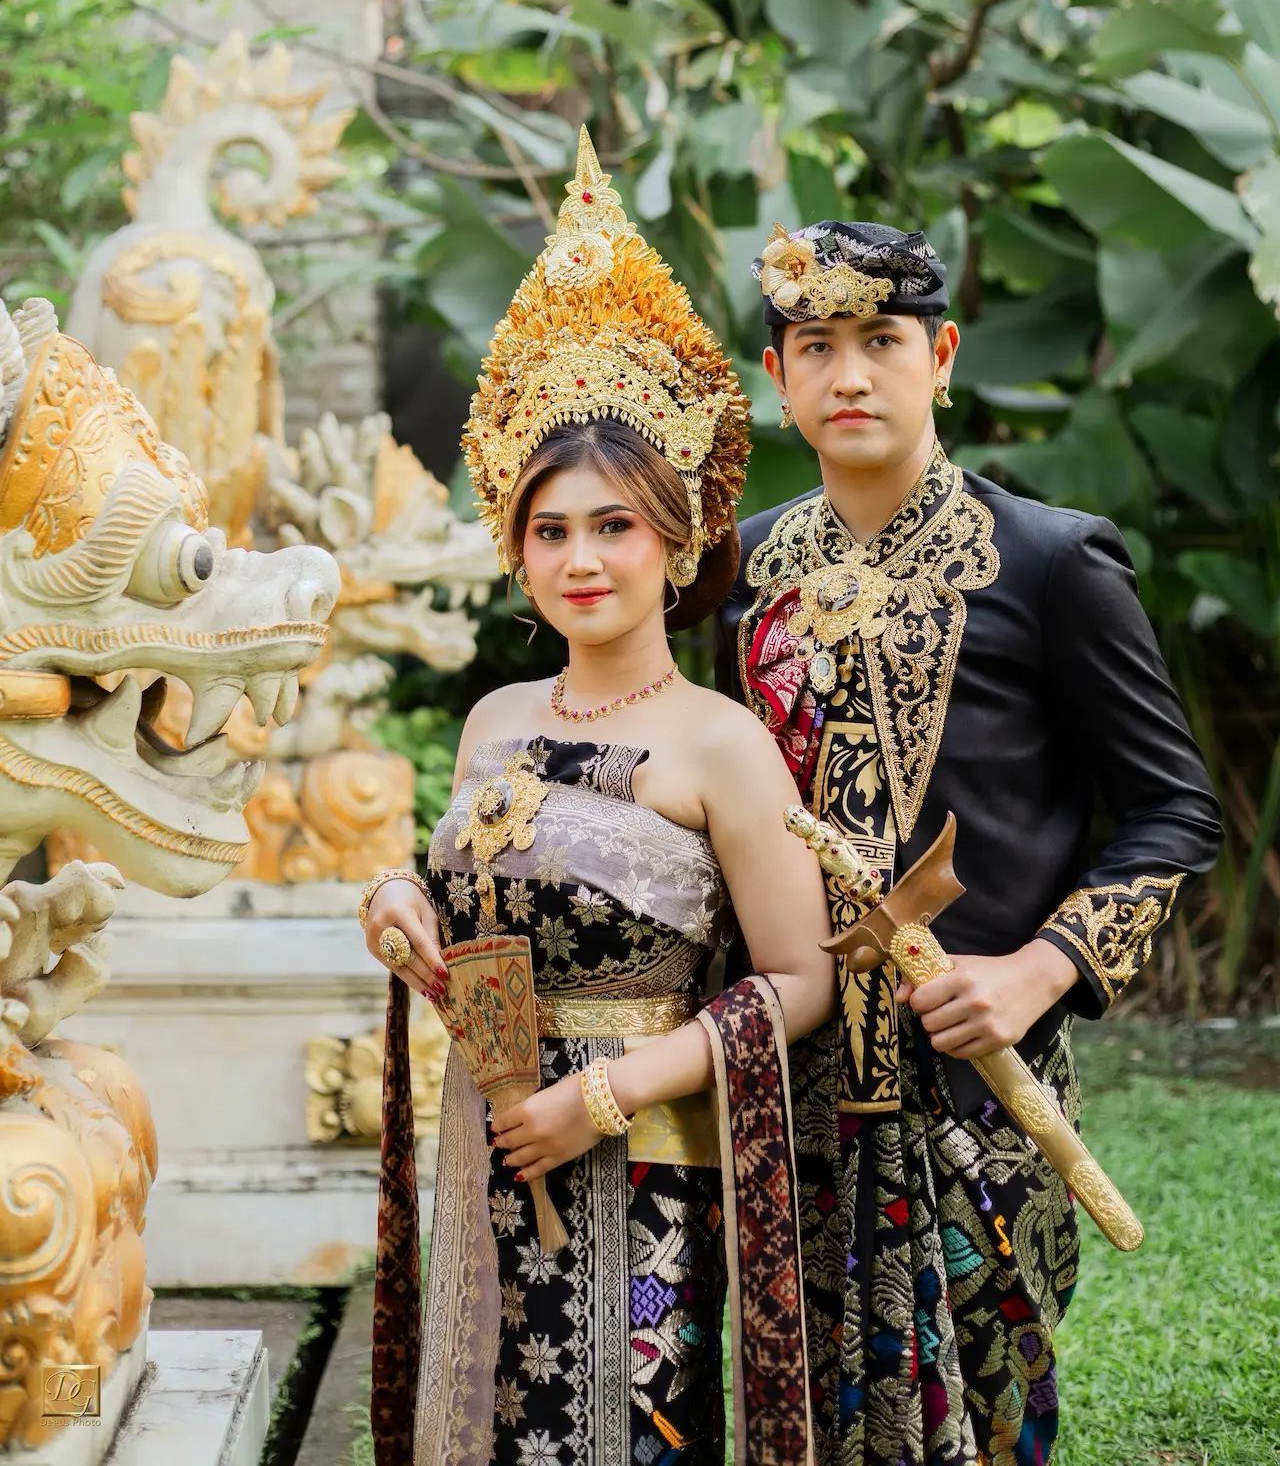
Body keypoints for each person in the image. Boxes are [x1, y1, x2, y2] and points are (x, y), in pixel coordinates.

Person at [714, 219, 1223, 1466]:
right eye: (814, 347)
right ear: (776, 377)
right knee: (800, 1416)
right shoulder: (739, 573)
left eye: (880, 342)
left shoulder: (1049, 561)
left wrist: (1038, 971)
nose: (847, 376)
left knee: (988, 1420)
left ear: (939, 358)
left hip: (979, 1085)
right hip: (788, 1080)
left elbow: (1171, 810)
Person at [362, 132, 835, 1466]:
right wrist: (398, 899)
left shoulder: (721, 742)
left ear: (676, 542)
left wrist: (607, 1097)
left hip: (648, 1159)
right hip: (492, 1134)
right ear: (517, 552)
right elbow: (464, 910)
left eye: (614, 526)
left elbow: (796, 982)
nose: (582, 559)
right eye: (551, 529)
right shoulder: (495, 721)